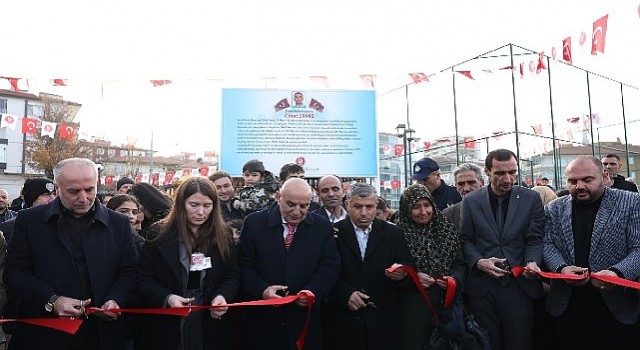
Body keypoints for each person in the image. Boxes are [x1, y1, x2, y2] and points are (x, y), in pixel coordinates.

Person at [4, 158, 138, 350]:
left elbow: (129, 271)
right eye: (74, 191)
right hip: (44, 333)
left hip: (100, 333)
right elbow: (15, 273)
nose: (83, 198)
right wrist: (52, 300)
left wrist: (115, 299)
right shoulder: (29, 221)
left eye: (90, 189)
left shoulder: (118, 224)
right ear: (57, 188)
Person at [543, 156, 640, 349]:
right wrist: (560, 268)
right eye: (572, 181)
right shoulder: (554, 207)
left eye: (587, 180)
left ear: (604, 177)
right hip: (568, 305)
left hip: (617, 305)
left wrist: (616, 274)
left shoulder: (631, 202)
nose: (579, 186)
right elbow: (547, 243)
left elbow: (638, 248)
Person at [137, 177, 240, 350]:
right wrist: (167, 298)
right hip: (169, 319)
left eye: (207, 206)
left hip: (208, 316)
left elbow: (232, 274)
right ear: (181, 204)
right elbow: (143, 279)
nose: (201, 212)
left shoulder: (223, 235)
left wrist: (222, 296)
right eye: (194, 205)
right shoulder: (159, 233)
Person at [237, 178, 340, 350]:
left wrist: (312, 292)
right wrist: (262, 290)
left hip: (303, 322)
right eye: (291, 204)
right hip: (263, 321)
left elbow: (329, 267)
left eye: (304, 206)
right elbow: (243, 264)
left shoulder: (321, 227)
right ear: (278, 197)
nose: (296, 211)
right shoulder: (255, 223)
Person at [460, 149, 545, 350]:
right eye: (500, 173)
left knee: (520, 342)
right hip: (482, 288)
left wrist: (532, 261)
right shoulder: (471, 201)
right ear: (487, 171)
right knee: (487, 343)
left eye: (512, 172)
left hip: (518, 285)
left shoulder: (530, 198)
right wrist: (479, 262)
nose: (508, 178)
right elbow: (465, 239)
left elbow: (535, 238)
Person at [325, 183, 413, 350]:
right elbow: (325, 271)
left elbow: (408, 267)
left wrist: (401, 275)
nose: (364, 213)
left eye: (369, 207)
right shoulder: (332, 233)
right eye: (358, 206)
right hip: (343, 323)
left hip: (383, 322)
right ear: (347, 205)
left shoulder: (394, 234)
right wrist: (345, 293)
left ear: (376, 206)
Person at [397, 184, 466, 349]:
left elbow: (460, 264)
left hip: (446, 306)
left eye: (427, 205)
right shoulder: (397, 234)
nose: (423, 211)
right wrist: (413, 277)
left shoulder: (446, 229)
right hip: (412, 310)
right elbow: (393, 269)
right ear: (406, 209)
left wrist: (453, 279)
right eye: (416, 207)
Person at [0, 177, 57, 242]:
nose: (53, 199)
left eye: (54, 194)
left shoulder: (63, 224)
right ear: (32, 198)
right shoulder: (11, 227)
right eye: (46, 194)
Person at [442, 162, 485, 231]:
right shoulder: (448, 215)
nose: (466, 188)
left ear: (482, 183)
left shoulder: (495, 208)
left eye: (471, 182)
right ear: (456, 186)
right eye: (461, 184)